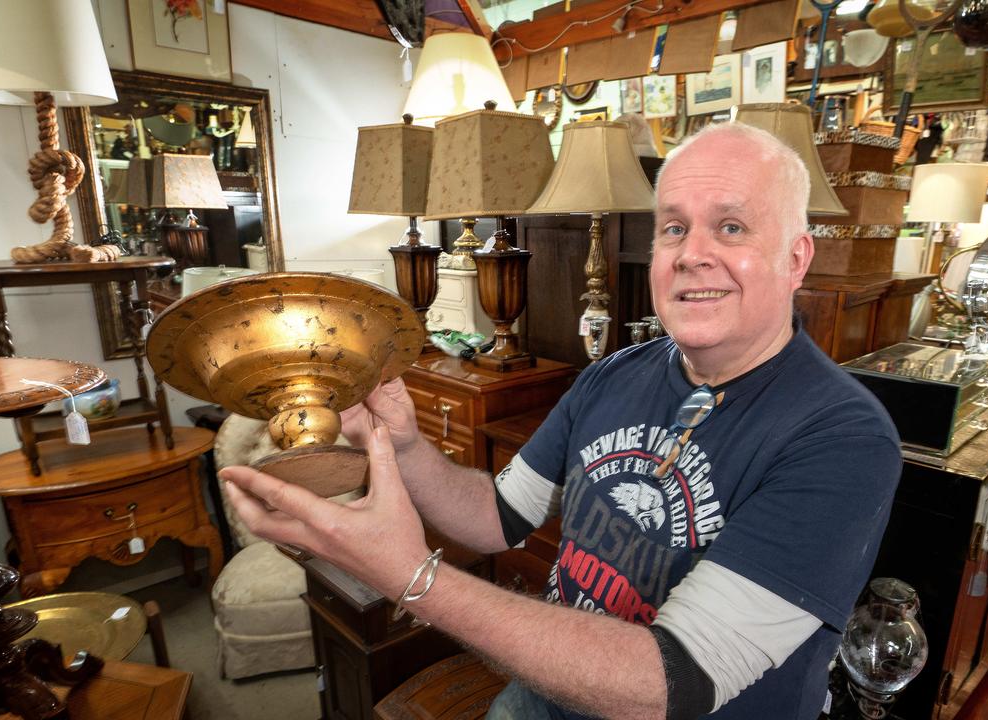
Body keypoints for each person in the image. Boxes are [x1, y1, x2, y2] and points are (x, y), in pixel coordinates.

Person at [221, 123, 902, 720]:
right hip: (546, 698)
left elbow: (669, 681)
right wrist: (402, 445)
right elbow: (496, 515)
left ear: (795, 257)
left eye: (731, 226)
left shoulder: (842, 439)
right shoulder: (615, 372)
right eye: (673, 227)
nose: (692, 253)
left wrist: (411, 577)